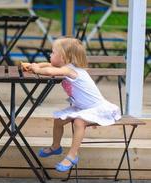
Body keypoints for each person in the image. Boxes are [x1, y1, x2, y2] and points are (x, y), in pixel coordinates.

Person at [22, 37, 121, 172]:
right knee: (58, 120)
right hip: (82, 107)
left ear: (63, 57)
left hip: (96, 108)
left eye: (53, 52)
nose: (50, 55)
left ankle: (72, 155)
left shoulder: (70, 70)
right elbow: (49, 65)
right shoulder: (65, 67)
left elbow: (50, 71)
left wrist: (37, 69)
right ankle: (56, 147)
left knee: (79, 122)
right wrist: (36, 65)